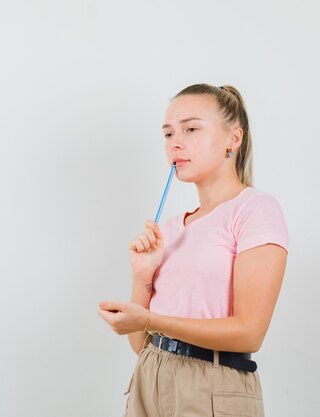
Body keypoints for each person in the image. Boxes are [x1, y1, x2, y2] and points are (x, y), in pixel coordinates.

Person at [98, 83, 289, 417]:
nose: (176, 143)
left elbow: (250, 333)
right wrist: (143, 275)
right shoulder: (169, 229)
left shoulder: (256, 210)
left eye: (191, 129)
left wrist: (151, 319)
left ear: (234, 138)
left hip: (210, 386)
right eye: (168, 134)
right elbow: (141, 345)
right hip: (149, 377)